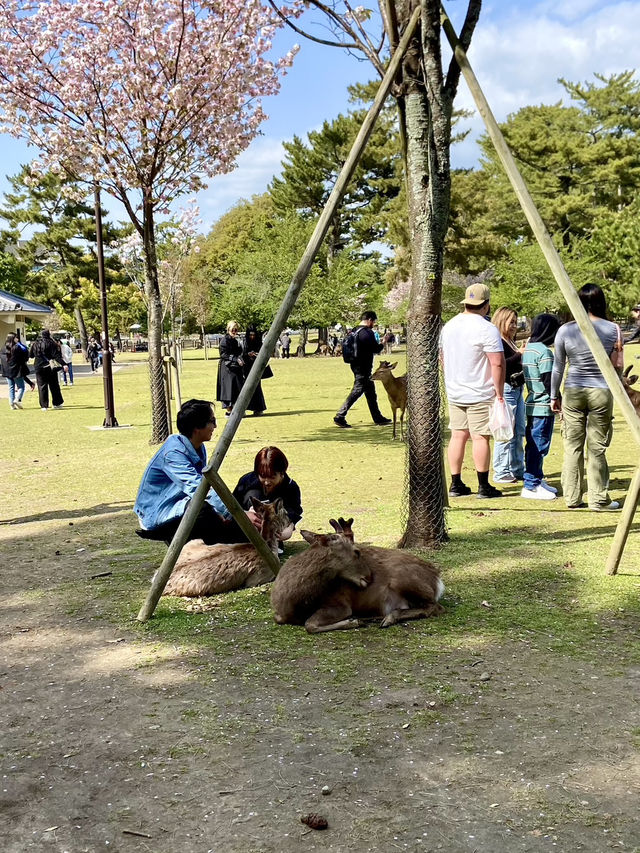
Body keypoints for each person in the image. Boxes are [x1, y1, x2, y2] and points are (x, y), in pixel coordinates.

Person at [134, 399, 252, 545]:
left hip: (181, 504)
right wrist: (237, 515)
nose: (215, 426)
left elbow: (205, 487)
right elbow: (197, 488)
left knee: (219, 512)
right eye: (212, 421)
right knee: (205, 511)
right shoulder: (173, 454)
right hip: (158, 514)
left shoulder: (197, 446)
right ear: (197, 428)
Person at [551, 283, 621, 511]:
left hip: (573, 390)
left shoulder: (565, 330)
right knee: (597, 447)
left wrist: (554, 395)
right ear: (602, 303)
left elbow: (558, 367)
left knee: (572, 445)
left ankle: (572, 497)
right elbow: (617, 366)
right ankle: (598, 498)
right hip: (600, 390)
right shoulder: (613, 329)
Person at [440, 283, 505, 499]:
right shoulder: (487, 328)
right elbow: (497, 363)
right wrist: (499, 392)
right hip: (480, 391)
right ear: (486, 305)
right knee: (480, 437)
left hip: (455, 390)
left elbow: (442, 359)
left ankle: (456, 483)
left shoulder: (449, 326)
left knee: (458, 436)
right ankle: (484, 486)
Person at [521, 314, 561, 501]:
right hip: (542, 405)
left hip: (532, 403)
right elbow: (548, 380)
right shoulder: (545, 352)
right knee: (539, 445)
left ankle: (538, 478)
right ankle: (531, 484)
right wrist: (557, 399)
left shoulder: (529, 349)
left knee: (534, 443)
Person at [233, 446, 303, 548]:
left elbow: (293, 514)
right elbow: (232, 507)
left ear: (282, 473)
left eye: (272, 477)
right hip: (243, 537)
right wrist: (245, 515)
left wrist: (288, 530)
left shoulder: (291, 488)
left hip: (272, 539)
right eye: (262, 476)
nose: (266, 482)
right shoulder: (247, 482)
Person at [333, 310, 391, 429]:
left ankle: (377, 417)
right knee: (357, 390)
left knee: (370, 392)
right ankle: (340, 415)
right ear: (369, 320)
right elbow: (376, 349)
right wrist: (383, 342)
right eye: (373, 321)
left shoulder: (353, 331)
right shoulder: (366, 332)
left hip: (355, 364)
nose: (374, 324)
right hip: (363, 366)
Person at [491, 307, 526, 484]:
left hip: (518, 388)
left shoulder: (510, 341)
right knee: (505, 430)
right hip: (506, 389)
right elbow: (501, 365)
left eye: (515, 322)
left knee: (519, 430)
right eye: (510, 322)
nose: (514, 326)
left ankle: (517, 468)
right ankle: (501, 471)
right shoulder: (498, 341)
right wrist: (519, 355)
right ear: (501, 321)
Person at [29, 329, 67, 411]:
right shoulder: (51, 343)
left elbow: (31, 355)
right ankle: (57, 403)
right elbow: (56, 356)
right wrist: (64, 364)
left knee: (42, 386)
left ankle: (44, 405)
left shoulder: (35, 344)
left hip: (38, 366)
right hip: (49, 366)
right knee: (54, 385)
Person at [216, 321, 245, 415]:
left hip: (235, 368)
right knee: (228, 389)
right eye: (233, 329)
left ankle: (237, 409)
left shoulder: (235, 340)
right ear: (228, 329)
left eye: (236, 330)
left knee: (237, 387)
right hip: (227, 368)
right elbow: (223, 354)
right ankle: (229, 410)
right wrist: (235, 359)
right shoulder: (224, 341)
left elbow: (238, 352)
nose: (234, 331)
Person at [241, 323, 268, 416]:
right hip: (246, 368)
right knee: (245, 388)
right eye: (250, 335)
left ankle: (258, 408)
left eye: (253, 335)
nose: (252, 337)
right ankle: (242, 409)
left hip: (255, 368)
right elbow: (242, 354)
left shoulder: (258, 343)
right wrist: (248, 355)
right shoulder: (244, 342)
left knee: (257, 388)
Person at [0, 333, 28, 409]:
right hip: (16, 371)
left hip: (7, 371)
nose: (17, 339)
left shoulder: (3, 348)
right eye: (16, 338)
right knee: (21, 387)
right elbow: (25, 352)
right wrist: (19, 344)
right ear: (13, 338)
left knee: (11, 387)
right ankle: (17, 399)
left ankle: (11, 404)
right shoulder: (17, 348)